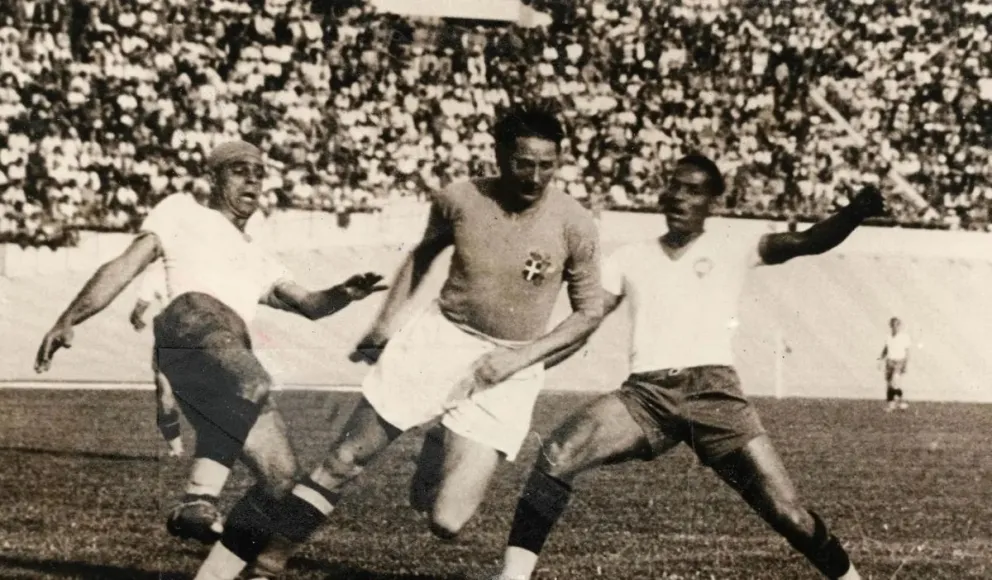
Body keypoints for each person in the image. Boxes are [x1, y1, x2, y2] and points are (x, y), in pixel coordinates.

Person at [192, 106, 606, 580]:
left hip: (509, 363)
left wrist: (520, 358)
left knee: (448, 522)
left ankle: (436, 440)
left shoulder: (575, 223)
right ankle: (269, 564)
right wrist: (385, 325)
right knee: (345, 459)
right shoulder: (460, 199)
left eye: (546, 164)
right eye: (523, 162)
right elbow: (422, 256)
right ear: (499, 154)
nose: (534, 176)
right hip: (439, 340)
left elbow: (589, 311)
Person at [494, 154, 885, 580]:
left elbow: (805, 241)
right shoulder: (631, 257)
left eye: (693, 189)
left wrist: (853, 214)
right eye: (675, 185)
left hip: (714, 394)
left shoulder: (734, 246)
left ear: (713, 201)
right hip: (647, 396)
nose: (680, 197)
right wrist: (525, 364)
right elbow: (584, 322)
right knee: (558, 453)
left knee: (788, 513)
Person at [34, 140, 387, 546]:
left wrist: (344, 292)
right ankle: (198, 497)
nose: (252, 178)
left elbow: (309, 304)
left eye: (259, 172)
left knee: (281, 480)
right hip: (190, 325)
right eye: (239, 169)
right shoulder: (182, 211)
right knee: (252, 379)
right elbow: (124, 265)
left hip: (226, 352)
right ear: (212, 178)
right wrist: (69, 319)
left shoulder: (258, 257)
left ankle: (211, 562)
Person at [129, 259, 185, 458]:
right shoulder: (155, 274)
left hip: (196, 336)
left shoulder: (200, 267)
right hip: (169, 338)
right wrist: (137, 318)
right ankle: (176, 449)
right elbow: (138, 309)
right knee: (165, 394)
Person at [878, 316, 910, 411]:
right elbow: (886, 349)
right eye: (892, 325)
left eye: (896, 325)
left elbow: (907, 352)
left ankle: (901, 401)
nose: (894, 327)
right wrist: (880, 359)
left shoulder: (904, 337)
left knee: (895, 382)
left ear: (899, 326)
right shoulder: (888, 337)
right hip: (889, 361)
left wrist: (905, 364)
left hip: (899, 361)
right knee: (888, 384)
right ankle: (891, 404)